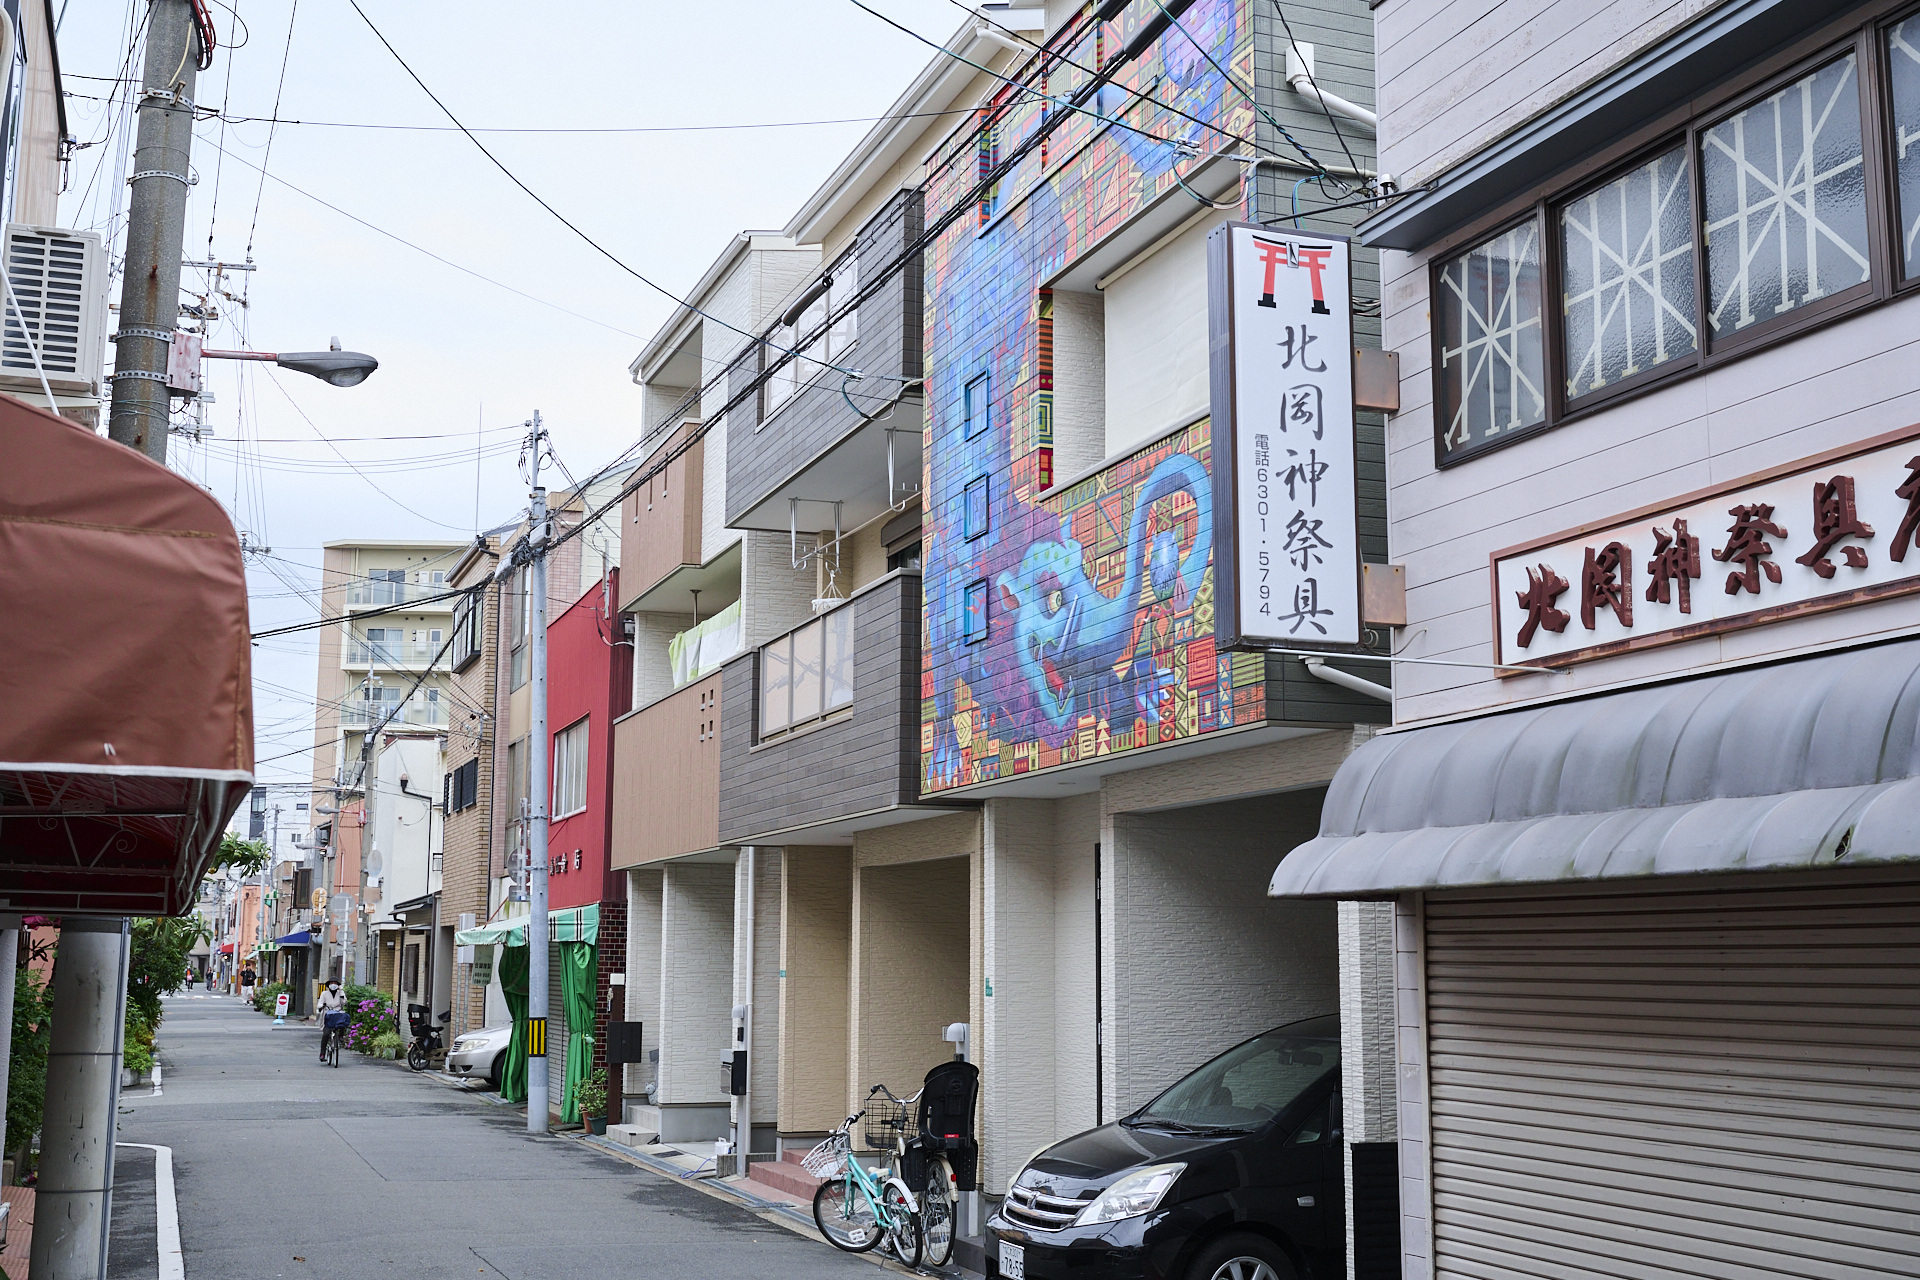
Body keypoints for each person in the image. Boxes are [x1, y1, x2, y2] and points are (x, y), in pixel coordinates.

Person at [317, 979, 348, 1060]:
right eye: (331, 983)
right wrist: (321, 1006)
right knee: (326, 1034)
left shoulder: (340, 993)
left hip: (338, 1013)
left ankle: (341, 1036)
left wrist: (341, 991)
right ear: (328, 985)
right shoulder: (324, 994)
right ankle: (322, 1054)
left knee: (344, 1019)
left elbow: (344, 1002)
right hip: (328, 1015)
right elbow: (319, 1004)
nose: (333, 985)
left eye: (335, 983)